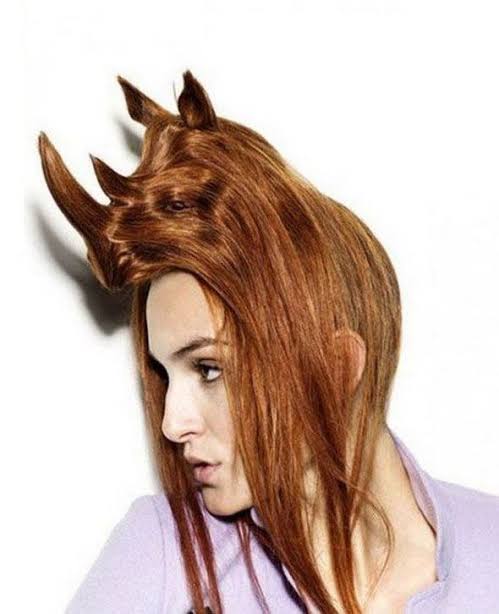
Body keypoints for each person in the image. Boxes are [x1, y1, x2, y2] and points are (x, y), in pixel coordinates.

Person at [38, 70, 499, 614]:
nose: (171, 423)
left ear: (335, 368)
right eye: (164, 374)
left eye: (208, 369)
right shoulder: (161, 557)